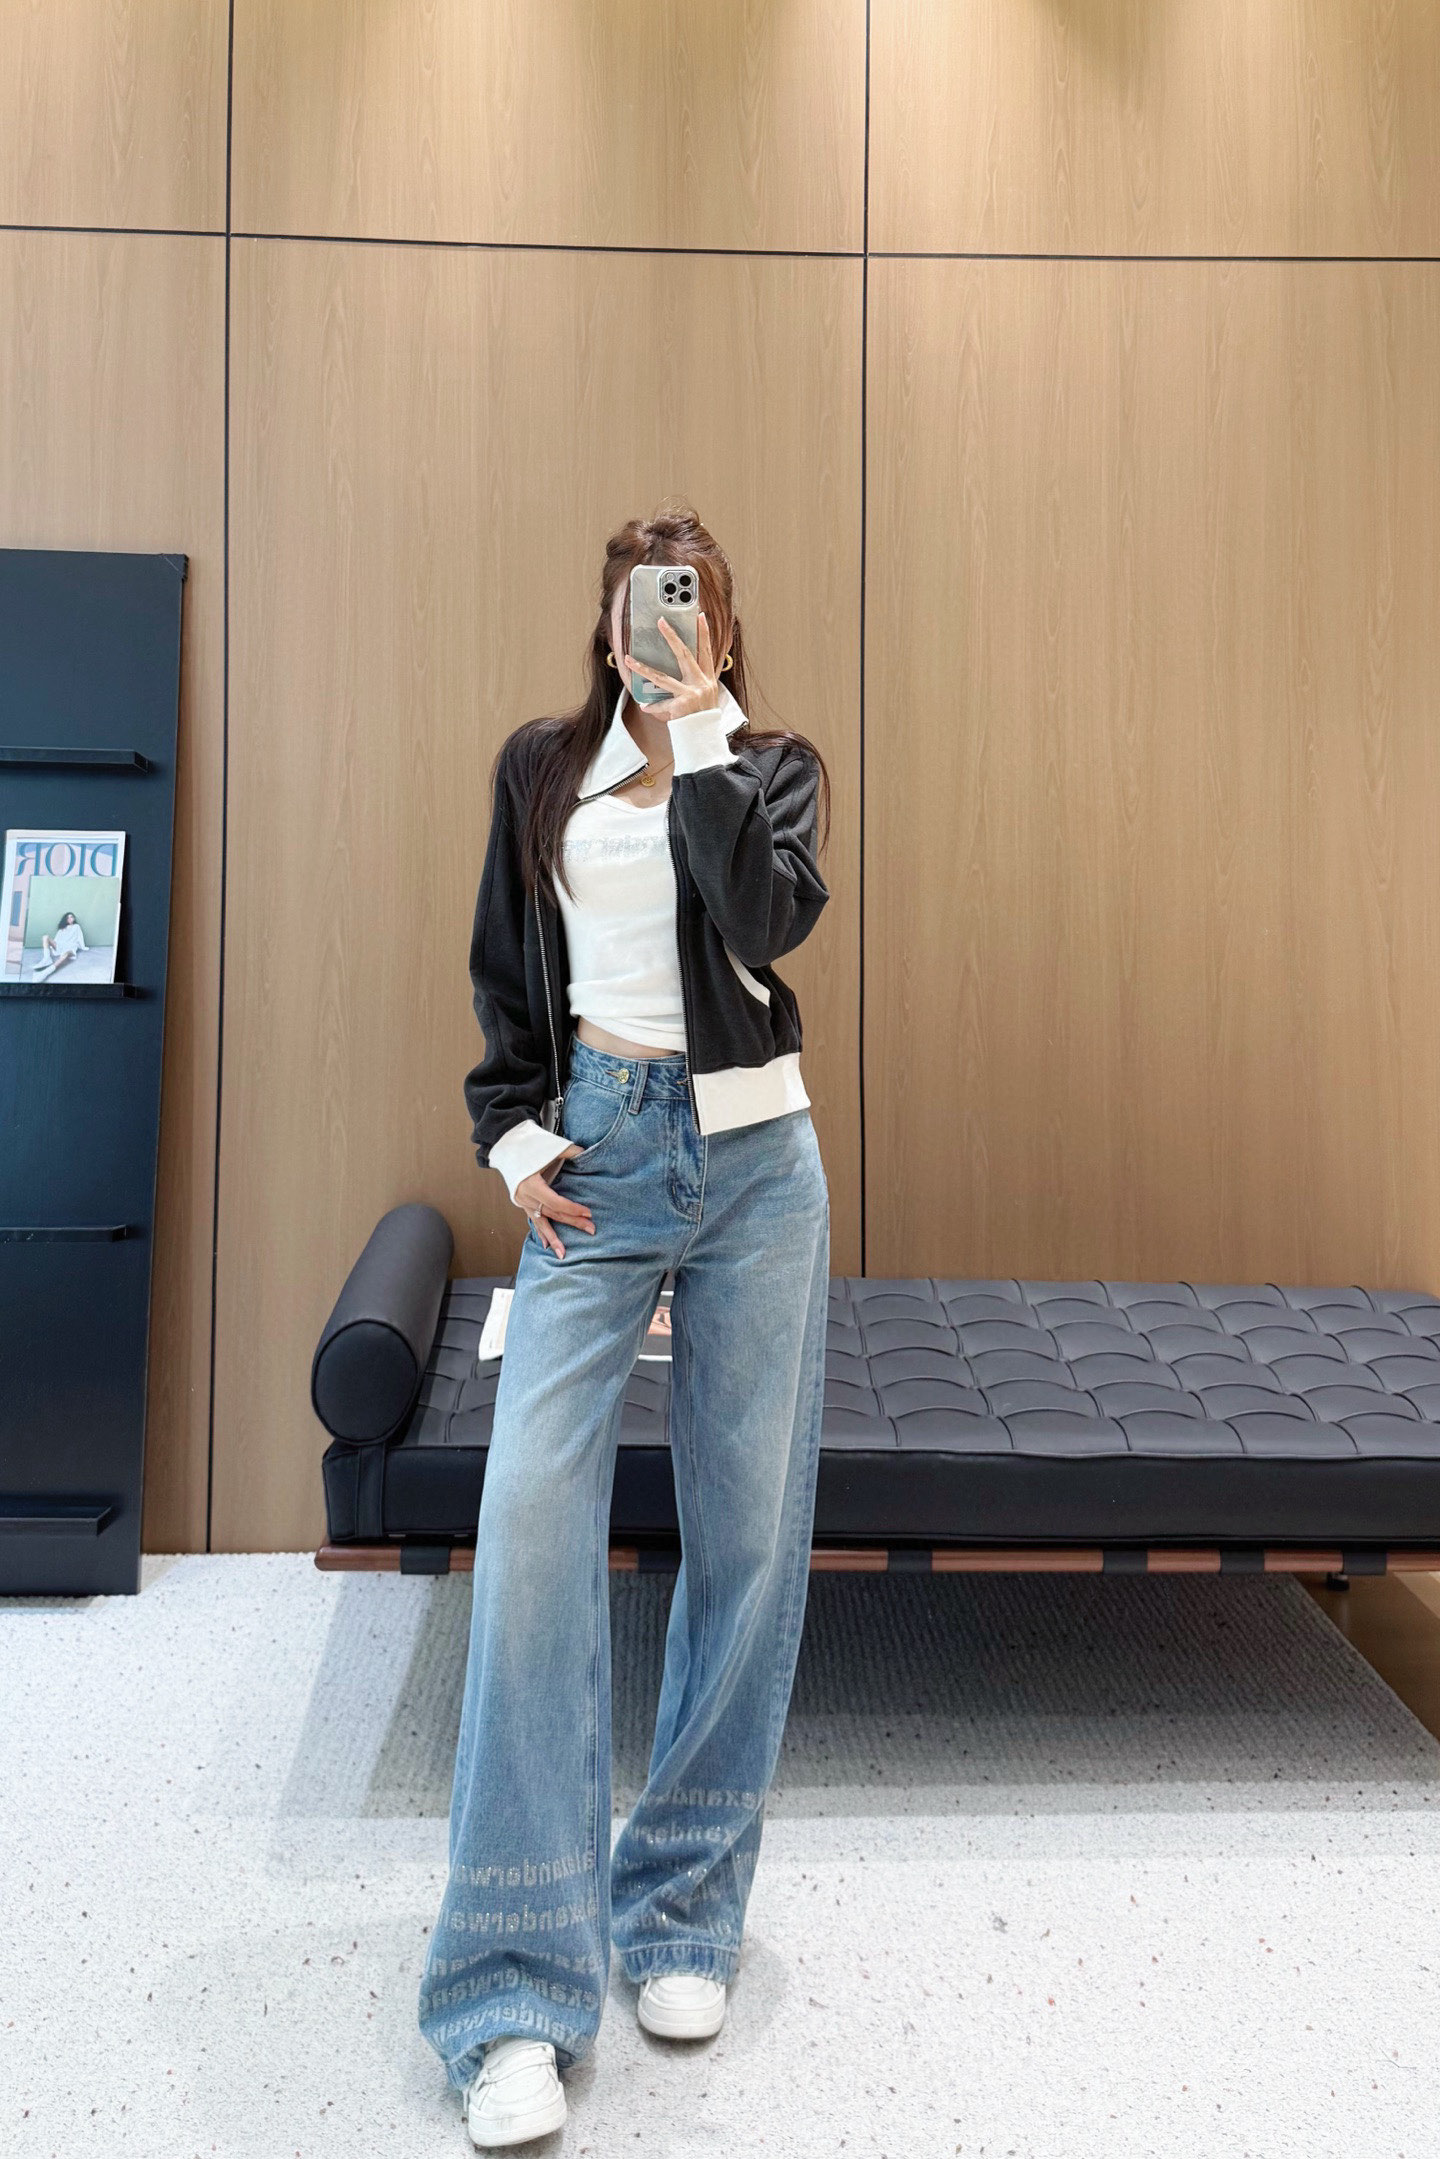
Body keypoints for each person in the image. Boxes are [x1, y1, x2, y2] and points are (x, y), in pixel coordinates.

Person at [418, 506, 834, 2148]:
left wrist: (703, 726)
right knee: (531, 1526)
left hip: (758, 1169)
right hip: (600, 1154)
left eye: (688, 606)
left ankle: (679, 1911)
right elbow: (500, 975)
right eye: (638, 607)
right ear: (603, 624)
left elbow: (766, 925)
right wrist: (512, 1136)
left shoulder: (771, 766)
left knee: (748, 1537)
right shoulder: (541, 772)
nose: (657, 627)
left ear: (719, 627)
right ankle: (512, 1986)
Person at [34, 910, 86, 978]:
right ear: (66, 920)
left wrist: (82, 947)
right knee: (45, 937)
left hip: (70, 947)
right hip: (60, 946)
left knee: (65, 954)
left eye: (71, 917)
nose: (70, 919)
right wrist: (53, 947)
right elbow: (57, 939)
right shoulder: (62, 928)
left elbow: (80, 937)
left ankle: (45, 973)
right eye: (68, 918)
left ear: (74, 918)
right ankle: (47, 959)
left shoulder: (76, 926)